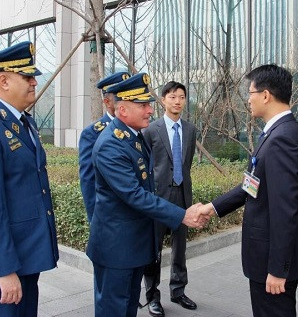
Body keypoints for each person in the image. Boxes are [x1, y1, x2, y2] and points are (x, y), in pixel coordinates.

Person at [86, 72, 206, 317]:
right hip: (116, 248)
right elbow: (134, 195)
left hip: (132, 245)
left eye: (149, 104)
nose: (150, 111)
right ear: (122, 110)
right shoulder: (111, 144)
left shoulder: (134, 138)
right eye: (142, 105)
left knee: (128, 307)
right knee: (113, 310)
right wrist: (182, 214)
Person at [200, 64, 298, 317]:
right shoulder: (278, 133)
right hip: (268, 258)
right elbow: (252, 186)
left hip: (271, 263)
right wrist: (212, 207)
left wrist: (278, 269)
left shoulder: (283, 139)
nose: (247, 100)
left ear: (265, 95)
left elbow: (286, 210)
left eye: (250, 93)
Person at [0, 41, 59, 316]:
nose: (33, 83)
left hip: (26, 257)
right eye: (27, 77)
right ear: (3, 80)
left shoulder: (23, 123)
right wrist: (5, 270)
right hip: (4, 265)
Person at [143, 81, 198, 316]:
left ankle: (178, 290)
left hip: (182, 195)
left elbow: (187, 164)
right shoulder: (151, 130)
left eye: (182, 97)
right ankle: (152, 296)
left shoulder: (190, 129)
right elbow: (145, 165)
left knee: (180, 248)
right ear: (163, 99)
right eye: (173, 96)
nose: (177, 101)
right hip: (158, 198)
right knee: (153, 250)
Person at [79, 71, 130, 222]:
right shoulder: (92, 134)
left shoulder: (137, 130)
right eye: (119, 97)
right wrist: (96, 220)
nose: (124, 101)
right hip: (109, 217)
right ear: (107, 102)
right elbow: (88, 181)